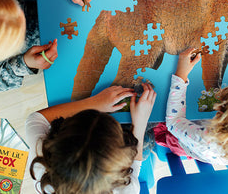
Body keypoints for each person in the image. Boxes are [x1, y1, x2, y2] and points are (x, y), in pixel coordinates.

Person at [25, 83, 156, 194]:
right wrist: (140, 123)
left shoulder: (42, 169)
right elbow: (135, 165)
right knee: (148, 138)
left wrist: (94, 103)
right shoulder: (128, 189)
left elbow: (35, 119)